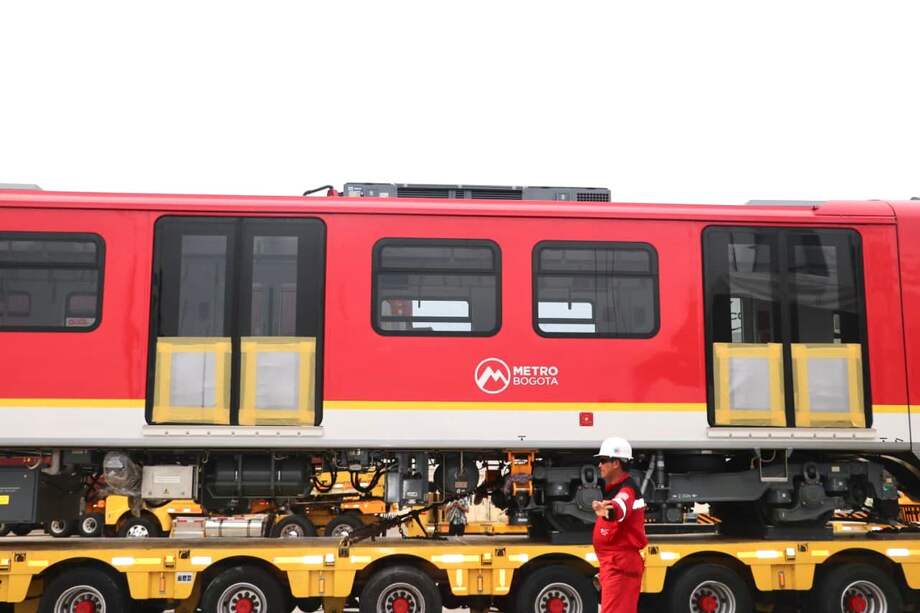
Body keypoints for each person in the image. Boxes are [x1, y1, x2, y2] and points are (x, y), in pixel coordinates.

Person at [592, 437, 648, 613]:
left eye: (603, 460)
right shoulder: (618, 488)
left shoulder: (627, 490)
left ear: (616, 463)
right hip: (614, 565)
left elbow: (620, 507)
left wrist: (608, 511)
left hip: (619, 566)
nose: (599, 465)